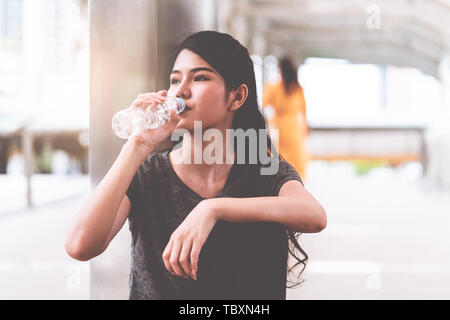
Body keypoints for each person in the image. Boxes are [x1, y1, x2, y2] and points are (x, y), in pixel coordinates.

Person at [65, 31, 326, 300]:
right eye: (175, 79)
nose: (181, 90)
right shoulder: (149, 174)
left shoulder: (262, 170)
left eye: (199, 77)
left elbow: (314, 216)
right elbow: (79, 246)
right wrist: (137, 144)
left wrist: (213, 208)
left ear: (236, 97)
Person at [263, 57, 310, 181]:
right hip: (293, 127)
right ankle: (297, 182)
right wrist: (305, 127)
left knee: (277, 155)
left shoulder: (275, 87)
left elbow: (263, 105)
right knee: (296, 155)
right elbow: (303, 111)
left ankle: (280, 181)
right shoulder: (297, 88)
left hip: (278, 125)